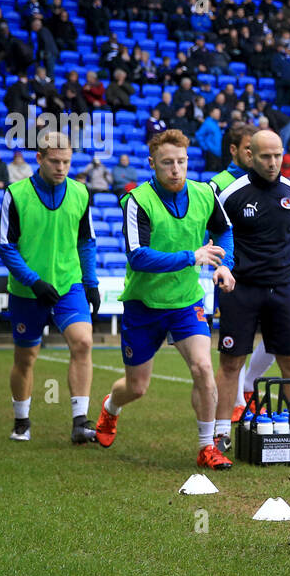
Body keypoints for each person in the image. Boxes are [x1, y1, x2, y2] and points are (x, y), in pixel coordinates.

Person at [93, 130, 237, 470]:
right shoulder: (137, 201)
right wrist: (193, 257)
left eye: (181, 162)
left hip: (186, 302)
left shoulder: (204, 193)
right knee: (137, 387)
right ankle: (111, 408)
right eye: (167, 163)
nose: (176, 169)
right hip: (144, 305)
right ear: (152, 164)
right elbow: (138, 257)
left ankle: (207, 447)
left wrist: (225, 266)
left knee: (203, 368)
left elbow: (225, 231)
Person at [210, 129, 290, 455]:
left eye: (277, 155)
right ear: (250, 156)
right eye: (265, 156)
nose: (272, 163)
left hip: (283, 289)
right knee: (231, 363)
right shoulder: (232, 195)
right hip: (242, 291)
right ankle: (221, 434)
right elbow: (219, 239)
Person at [0, 132, 99, 443]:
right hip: (28, 291)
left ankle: (80, 422)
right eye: (54, 161)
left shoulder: (81, 193)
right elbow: (6, 247)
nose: (61, 167)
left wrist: (91, 282)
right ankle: (22, 419)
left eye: (67, 162)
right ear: (39, 159)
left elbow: (86, 241)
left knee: (83, 342)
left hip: (69, 285)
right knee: (26, 357)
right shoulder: (15, 194)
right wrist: (34, 281)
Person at [207, 123, 273, 422]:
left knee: (277, 338)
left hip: (269, 273)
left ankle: (246, 388)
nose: (254, 152)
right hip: (235, 275)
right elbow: (210, 229)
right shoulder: (217, 185)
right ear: (234, 150)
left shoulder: (266, 181)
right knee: (237, 343)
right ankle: (235, 403)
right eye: (249, 147)